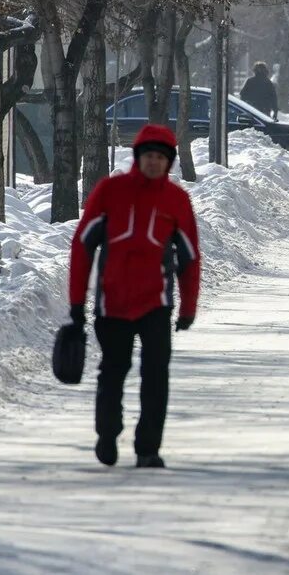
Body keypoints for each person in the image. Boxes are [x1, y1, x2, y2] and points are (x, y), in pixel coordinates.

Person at [67, 124, 201, 468]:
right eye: (148, 156)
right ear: (137, 158)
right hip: (112, 302)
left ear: (169, 162)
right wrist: (77, 302)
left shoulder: (176, 200)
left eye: (160, 157)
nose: (154, 163)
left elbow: (189, 258)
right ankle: (107, 433)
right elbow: (83, 246)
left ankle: (148, 448)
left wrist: (188, 307)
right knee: (113, 370)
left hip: (156, 302)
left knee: (156, 375)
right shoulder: (110, 192)